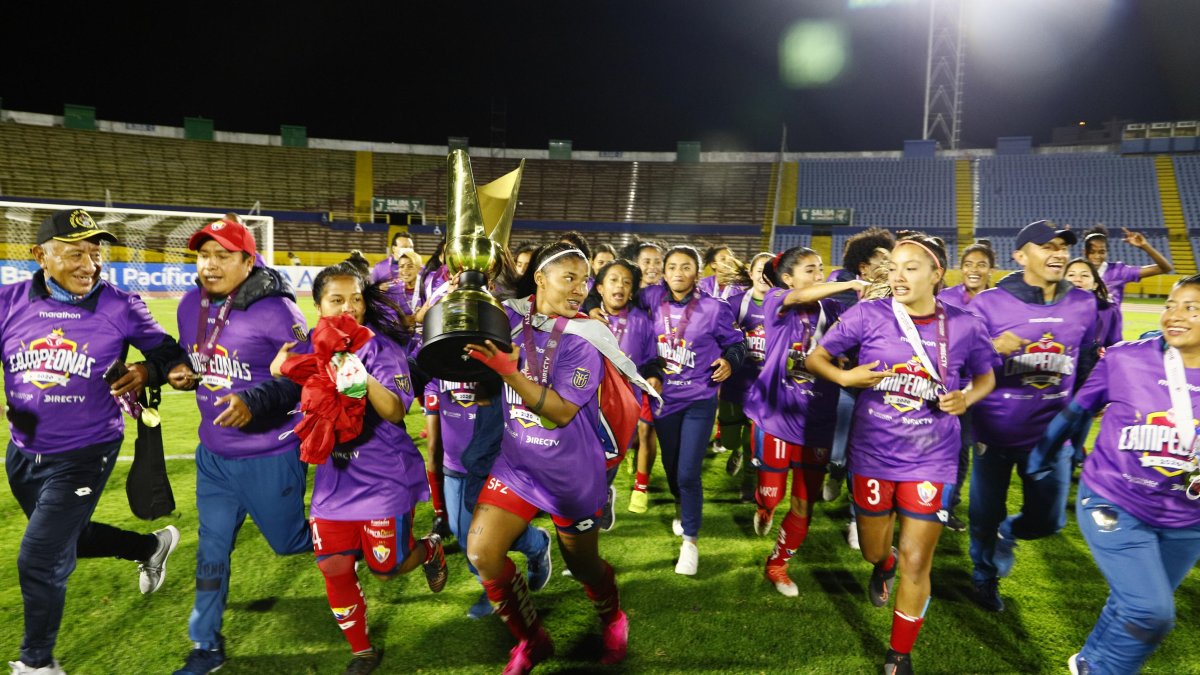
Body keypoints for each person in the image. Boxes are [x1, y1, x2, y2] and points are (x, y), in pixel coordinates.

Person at [2, 209, 189, 675]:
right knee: (69, 539)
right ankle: (150, 548)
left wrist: (147, 370)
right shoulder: (7, 302)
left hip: (86, 451)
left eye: (94, 252)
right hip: (23, 451)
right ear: (39, 256)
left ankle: (38, 663)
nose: (89, 264)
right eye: (74, 253)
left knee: (40, 556)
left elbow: (170, 354)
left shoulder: (120, 305)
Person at [806, 235, 996, 675]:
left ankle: (898, 656)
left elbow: (985, 376)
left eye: (910, 268)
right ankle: (881, 565)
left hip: (932, 456)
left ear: (936, 275)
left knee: (917, 559)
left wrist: (966, 399)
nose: (897, 276)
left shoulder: (965, 325)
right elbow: (818, 357)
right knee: (876, 551)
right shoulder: (868, 314)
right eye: (893, 267)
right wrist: (846, 376)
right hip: (873, 453)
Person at [463, 243, 633, 674]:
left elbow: (558, 413)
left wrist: (509, 373)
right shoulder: (507, 318)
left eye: (584, 280)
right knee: (483, 552)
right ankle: (532, 639)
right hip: (517, 466)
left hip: (570, 475)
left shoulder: (584, 338)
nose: (580, 289)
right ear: (540, 278)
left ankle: (612, 616)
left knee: (585, 567)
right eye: (569, 278)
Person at [270, 261, 446, 674]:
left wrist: (358, 372)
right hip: (335, 481)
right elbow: (296, 377)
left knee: (387, 568)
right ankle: (362, 650)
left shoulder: (382, 349)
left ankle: (429, 549)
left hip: (385, 478)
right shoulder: (314, 346)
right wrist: (282, 368)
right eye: (336, 300)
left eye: (356, 299)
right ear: (318, 306)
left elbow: (394, 410)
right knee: (333, 565)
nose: (348, 308)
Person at [1028, 275, 1200, 674]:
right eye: (1171, 304)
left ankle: (1089, 662)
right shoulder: (1127, 358)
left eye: (1192, 308)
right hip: (1115, 499)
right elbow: (1077, 410)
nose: (1175, 315)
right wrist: (1043, 455)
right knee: (1151, 612)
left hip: (1186, 518)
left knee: (1132, 601)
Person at [170, 219, 313, 675]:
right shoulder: (190, 302)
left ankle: (367, 537)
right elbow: (188, 353)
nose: (209, 265)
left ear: (247, 262)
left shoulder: (278, 312)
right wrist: (175, 371)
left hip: (267, 455)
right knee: (211, 549)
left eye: (222, 256)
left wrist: (255, 400)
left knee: (291, 544)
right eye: (203, 254)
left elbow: (305, 378)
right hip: (214, 457)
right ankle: (205, 644)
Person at [966, 220, 1100, 613]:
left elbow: (1088, 363)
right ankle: (984, 575)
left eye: (1063, 246)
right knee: (984, 513)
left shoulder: (1083, 303)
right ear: (1021, 255)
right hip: (994, 430)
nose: (1058, 252)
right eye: (1047, 246)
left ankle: (1012, 530)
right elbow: (962, 366)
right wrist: (992, 347)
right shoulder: (989, 303)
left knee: (1050, 521)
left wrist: (1080, 422)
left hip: (1050, 435)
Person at [742, 247, 859, 595]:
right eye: (810, 270)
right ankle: (764, 509)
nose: (818, 275)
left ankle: (777, 564)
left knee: (804, 503)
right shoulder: (777, 299)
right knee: (772, 495)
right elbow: (802, 295)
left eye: (821, 268)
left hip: (817, 421)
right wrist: (850, 283)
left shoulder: (834, 309)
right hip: (776, 416)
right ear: (789, 278)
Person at [639, 245, 746, 575]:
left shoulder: (715, 308)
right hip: (664, 400)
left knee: (688, 472)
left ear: (698, 273)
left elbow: (737, 342)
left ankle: (690, 541)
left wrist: (730, 361)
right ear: (664, 271)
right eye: (672, 267)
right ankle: (680, 503)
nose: (677, 273)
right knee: (671, 468)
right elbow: (614, 300)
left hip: (700, 399)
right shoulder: (649, 300)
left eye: (686, 267)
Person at [824, 228, 897, 550]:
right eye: (879, 259)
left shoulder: (901, 298)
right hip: (849, 385)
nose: (887, 263)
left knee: (865, 459)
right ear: (863, 267)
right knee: (839, 454)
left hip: (884, 393)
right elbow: (827, 339)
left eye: (889, 258)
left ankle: (857, 518)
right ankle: (835, 472)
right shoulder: (842, 296)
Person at [935, 241, 996, 532]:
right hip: (945, 386)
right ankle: (928, 502)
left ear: (990, 269)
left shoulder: (1001, 302)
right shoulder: (945, 297)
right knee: (938, 446)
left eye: (981, 264)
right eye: (969, 263)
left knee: (963, 450)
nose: (974, 269)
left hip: (981, 389)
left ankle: (947, 507)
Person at [592, 259, 660, 518]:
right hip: (588, 399)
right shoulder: (584, 317)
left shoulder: (642, 321)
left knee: (610, 455)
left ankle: (602, 495)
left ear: (632, 291)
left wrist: (654, 375)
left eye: (626, 282)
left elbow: (651, 357)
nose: (619, 286)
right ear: (599, 288)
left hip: (623, 403)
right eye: (613, 280)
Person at [719, 252, 775, 500]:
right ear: (750, 274)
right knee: (731, 438)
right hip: (736, 383)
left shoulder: (785, 305)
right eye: (759, 269)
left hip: (766, 387)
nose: (763, 275)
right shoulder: (733, 304)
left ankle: (750, 478)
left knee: (755, 438)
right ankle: (737, 451)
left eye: (769, 270)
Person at [1083, 225, 1172, 313]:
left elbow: (1165, 268)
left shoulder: (1119, 271)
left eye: (1101, 252)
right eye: (1092, 252)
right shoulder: (1076, 274)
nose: (1097, 256)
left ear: (1107, 252)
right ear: (1084, 252)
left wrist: (1145, 246)